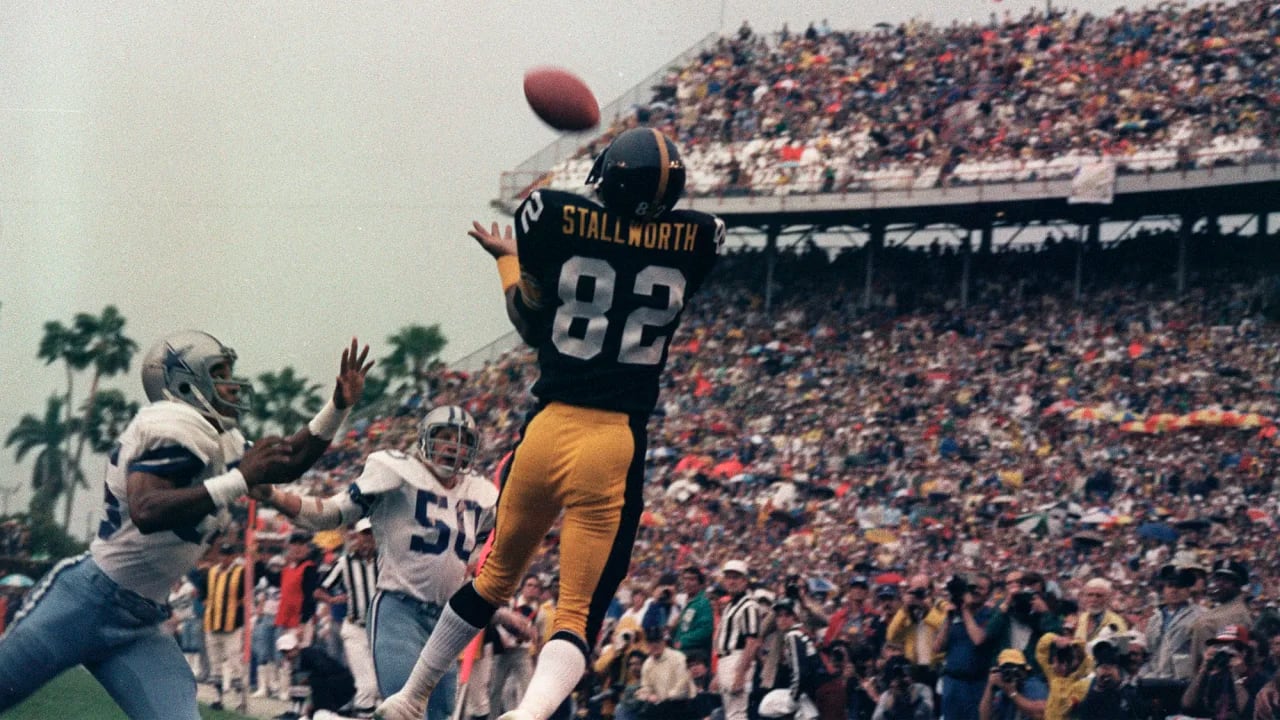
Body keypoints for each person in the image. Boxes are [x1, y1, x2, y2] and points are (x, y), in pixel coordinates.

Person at [376, 126, 724, 720]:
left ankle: (409, 697)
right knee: (576, 609)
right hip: (613, 438)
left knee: (492, 580)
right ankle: (529, 715)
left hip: (546, 429)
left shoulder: (556, 216)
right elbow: (666, 236)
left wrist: (509, 264)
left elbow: (533, 325)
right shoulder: (697, 238)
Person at [0, 331, 370, 719]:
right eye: (219, 372)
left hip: (141, 623)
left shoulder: (220, 439)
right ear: (182, 382)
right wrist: (239, 479)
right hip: (85, 601)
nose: (230, 383)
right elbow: (147, 509)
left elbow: (288, 460)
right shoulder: (172, 421)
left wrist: (338, 406)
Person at [253, 404, 521, 720]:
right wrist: (275, 497)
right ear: (426, 440)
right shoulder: (397, 472)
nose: (453, 445)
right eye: (445, 436)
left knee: (439, 715)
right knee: (403, 711)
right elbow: (330, 512)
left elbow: (472, 567)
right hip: (399, 609)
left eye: (462, 439)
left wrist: (498, 612)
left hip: (447, 621)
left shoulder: (480, 494)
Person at [315, 517, 380, 715]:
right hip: (355, 628)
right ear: (357, 537)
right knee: (367, 686)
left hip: (381, 629)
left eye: (371, 534)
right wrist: (333, 600)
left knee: (381, 686)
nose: (368, 538)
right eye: (364, 534)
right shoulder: (345, 563)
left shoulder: (385, 559)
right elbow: (319, 590)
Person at [198, 541, 248, 711]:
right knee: (215, 664)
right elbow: (202, 590)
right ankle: (218, 698)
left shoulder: (241, 573)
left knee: (235, 661)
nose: (224, 558)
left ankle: (238, 700)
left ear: (233, 557)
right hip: (212, 623)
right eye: (222, 555)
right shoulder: (212, 572)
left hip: (232, 624)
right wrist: (206, 603)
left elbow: (248, 591)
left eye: (228, 555)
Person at [276, 631, 356, 720]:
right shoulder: (297, 662)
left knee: (321, 714)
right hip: (331, 689)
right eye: (284, 652)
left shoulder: (309, 656)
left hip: (340, 687)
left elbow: (325, 673)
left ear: (296, 647)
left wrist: (311, 707)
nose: (287, 654)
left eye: (289, 650)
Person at [635, 625, 695, 718]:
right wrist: (648, 696)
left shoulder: (678, 657)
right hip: (660, 706)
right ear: (647, 645)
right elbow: (645, 687)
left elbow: (682, 688)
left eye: (658, 641)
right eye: (651, 642)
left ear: (664, 642)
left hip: (681, 704)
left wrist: (663, 699)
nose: (655, 645)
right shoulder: (647, 664)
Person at [978, 649, 1048, 720]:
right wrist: (990, 687)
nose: (1011, 674)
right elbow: (984, 717)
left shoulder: (1034, 686)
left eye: (1016, 669)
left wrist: (1012, 693)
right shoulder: (1002, 689)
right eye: (1006, 669)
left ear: (1024, 670)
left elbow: (1041, 714)